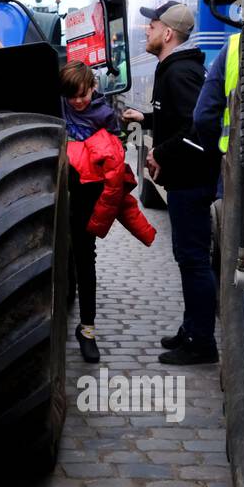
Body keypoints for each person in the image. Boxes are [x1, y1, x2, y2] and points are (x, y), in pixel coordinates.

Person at [122, 1, 223, 365]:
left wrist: (159, 153)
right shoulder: (174, 68)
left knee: (194, 260)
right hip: (187, 180)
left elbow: (197, 130)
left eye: (152, 26)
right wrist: (147, 119)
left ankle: (202, 343)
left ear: (167, 33)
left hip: (191, 182)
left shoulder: (179, 73)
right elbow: (180, 119)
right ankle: (191, 327)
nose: (146, 30)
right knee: (188, 258)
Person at [61, 61, 156, 361]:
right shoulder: (58, 108)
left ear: (92, 87)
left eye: (82, 94)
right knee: (61, 259)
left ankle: (87, 330)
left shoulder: (104, 117)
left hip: (86, 199)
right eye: (70, 96)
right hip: (55, 195)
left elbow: (114, 166)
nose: (77, 101)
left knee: (85, 262)